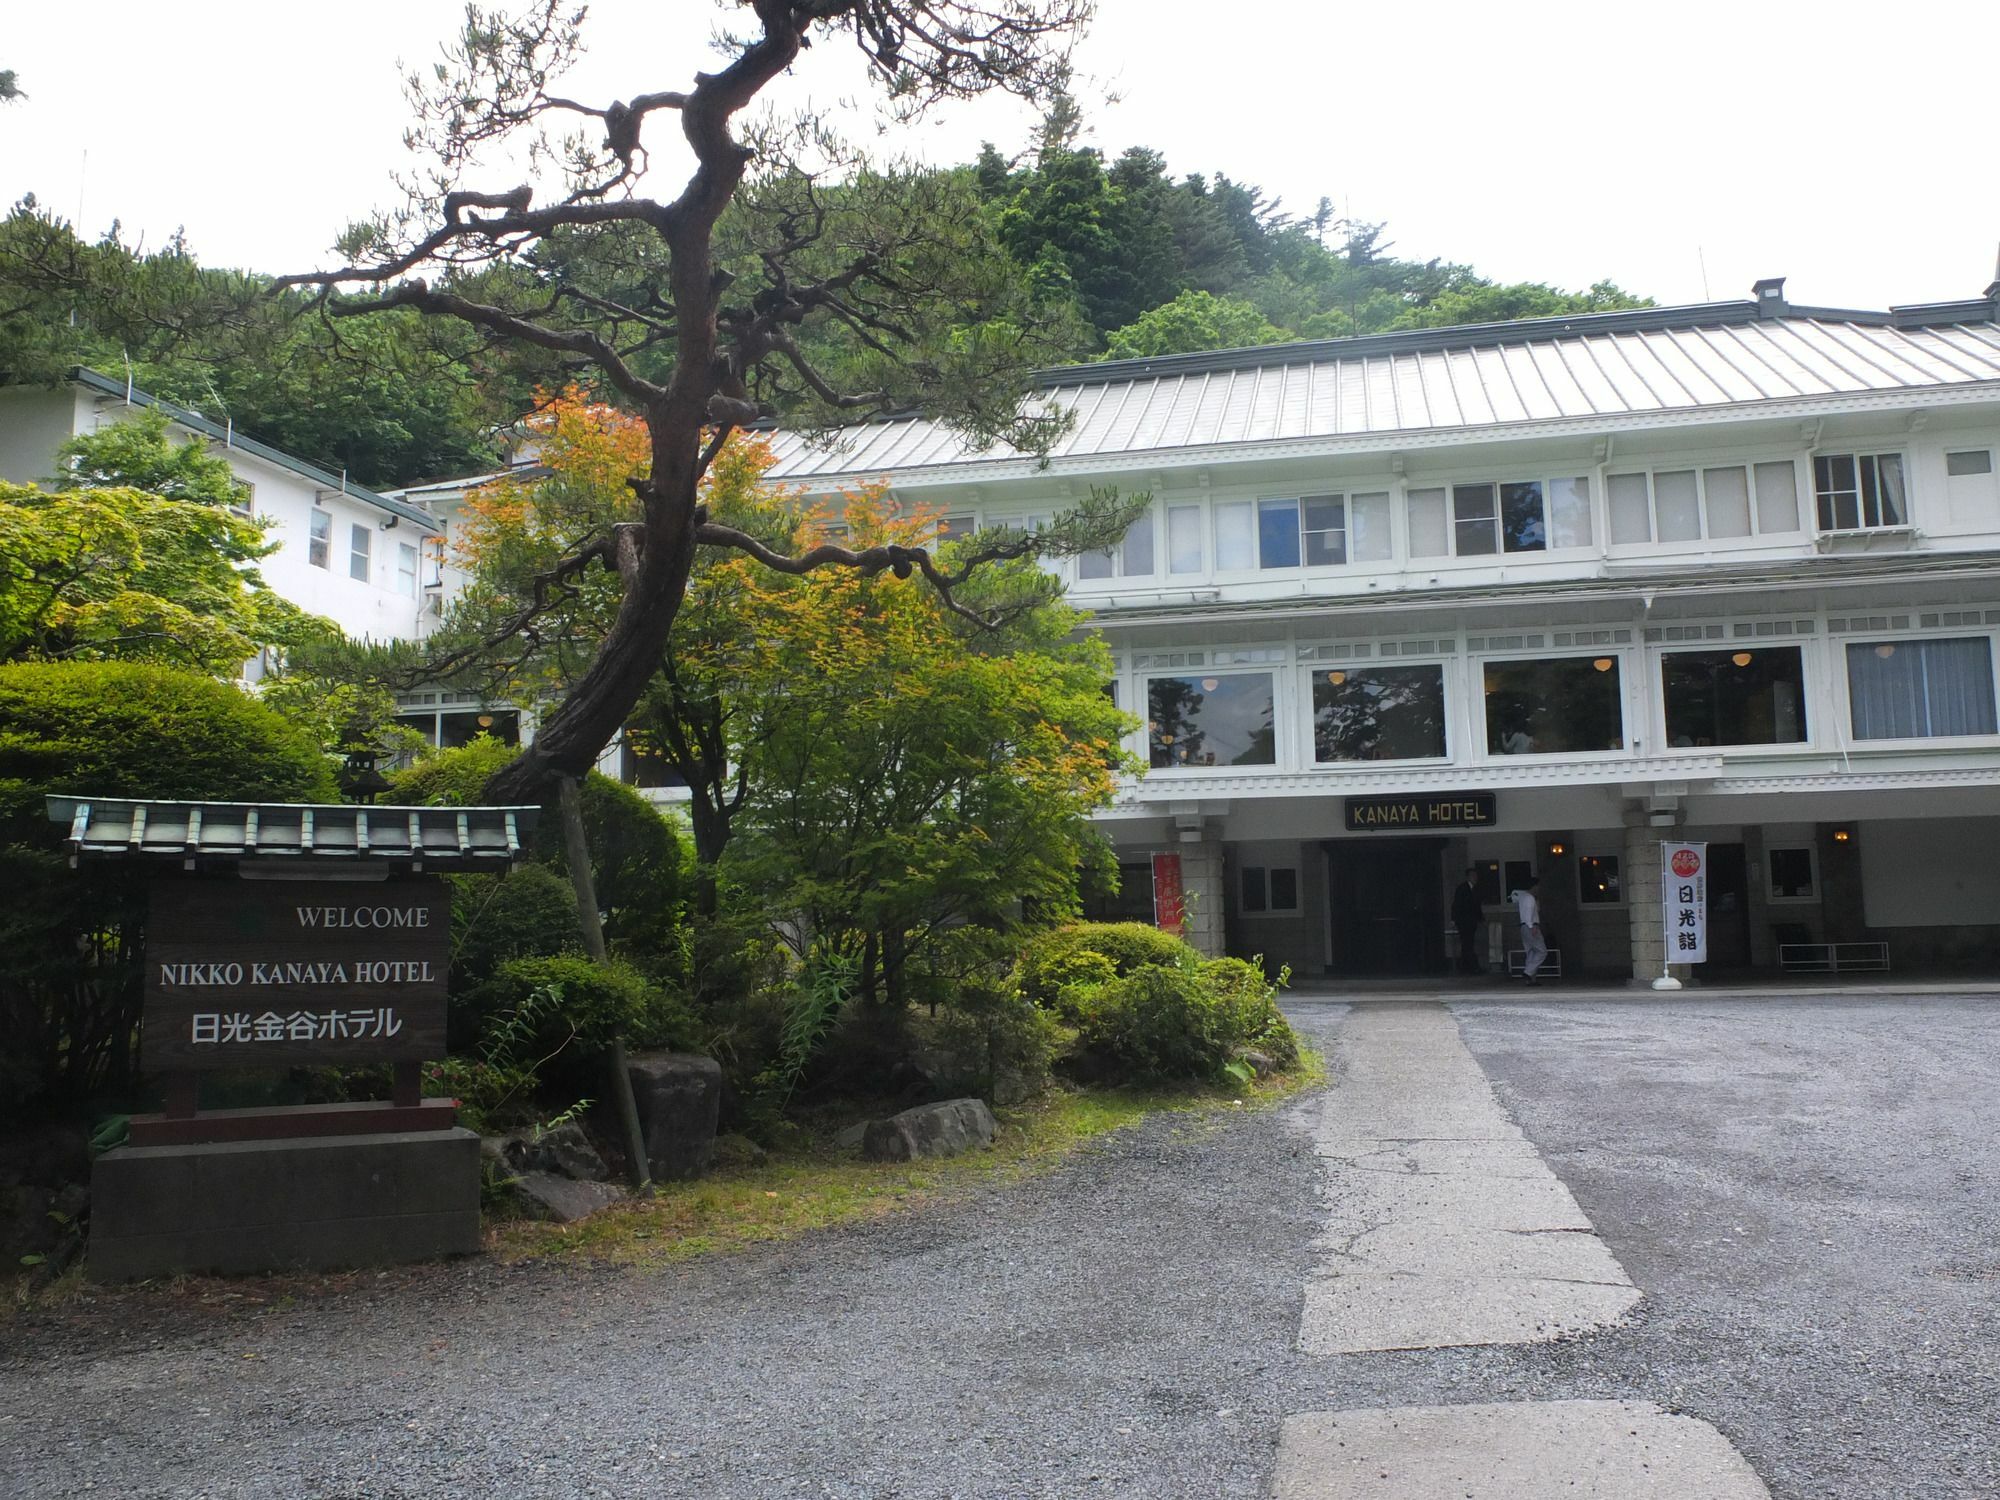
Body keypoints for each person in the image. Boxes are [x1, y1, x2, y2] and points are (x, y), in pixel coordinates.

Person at [1510, 875, 1547, 985]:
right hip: (1531, 926)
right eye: (1538, 886)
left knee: (1530, 952)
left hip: (1523, 926)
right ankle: (1528, 972)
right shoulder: (1530, 898)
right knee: (1542, 951)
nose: (1539, 888)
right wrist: (1532, 926)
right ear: (1534, 886)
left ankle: (1530, 980)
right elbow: (1529, 914)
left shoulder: (1523, 897)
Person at [1451, 865, 1485, 975]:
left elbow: (1477, 906)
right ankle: (1469, 966)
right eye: (1473, 876)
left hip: (1472, 921)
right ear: (1468, 877)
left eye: (1476, 876)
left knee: (1468, 944)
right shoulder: (1462, 889)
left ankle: (1466, 966)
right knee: (1467, 943)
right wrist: (1454, 919)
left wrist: (1480, 918)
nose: (1475, 878)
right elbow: (1456, 905)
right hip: (1464, 921)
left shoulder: (1476, 890)